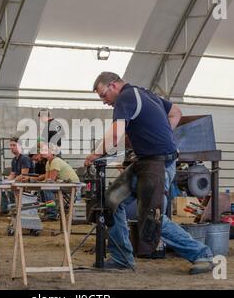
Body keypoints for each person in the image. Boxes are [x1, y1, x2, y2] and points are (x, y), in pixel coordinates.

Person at [84, 71, 214, 274]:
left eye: (103, 95)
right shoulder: (147, 95)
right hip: (144, 161)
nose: (104, 101)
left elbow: (117, 133)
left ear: (113, 86)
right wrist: (161, 133)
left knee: (153, 217)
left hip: (158, 164)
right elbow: (176, 113)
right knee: (110, 202)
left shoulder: (125, 97)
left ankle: (202, 254)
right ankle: (122, 258)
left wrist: (95, 154)